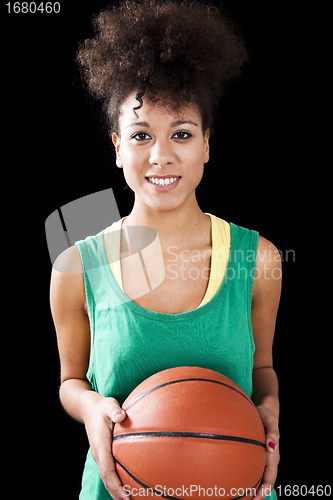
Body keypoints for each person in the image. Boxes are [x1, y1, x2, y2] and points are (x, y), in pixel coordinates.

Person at [50, 1, 281, 499]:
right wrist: (91, 408)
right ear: (116, 147)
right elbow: (71, 381)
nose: (162, 155)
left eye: (181, 133)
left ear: (206, 144)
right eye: (140, 135)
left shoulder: (259, 260)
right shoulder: (76, 267)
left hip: (236, 487)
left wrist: (269, 410)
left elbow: (262, 369)